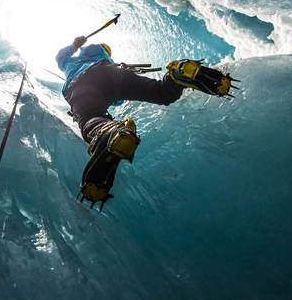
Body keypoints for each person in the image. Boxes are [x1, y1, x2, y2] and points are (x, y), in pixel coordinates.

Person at [56, 35, 233, 210]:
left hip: (81, 85)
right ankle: (177, 75)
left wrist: (75, 44)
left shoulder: (73, 61)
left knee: (89, 117)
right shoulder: (103, 56)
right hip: (114, 74)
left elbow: (61, 57)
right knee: (161, 92)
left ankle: (108, 131)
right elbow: (117, 98)